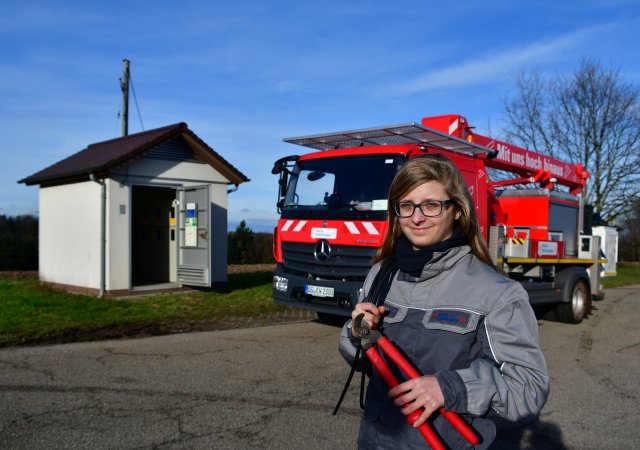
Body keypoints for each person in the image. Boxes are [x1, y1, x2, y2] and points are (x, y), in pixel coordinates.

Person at [339, 154, 549, 449]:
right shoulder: (380, 274)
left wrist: (450, 388)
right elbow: (361, 357)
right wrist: (356, 332)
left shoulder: (498, 292)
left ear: (458, 211)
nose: (417, 217)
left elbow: (528, 389)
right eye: (407, 205)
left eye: (431, 205)